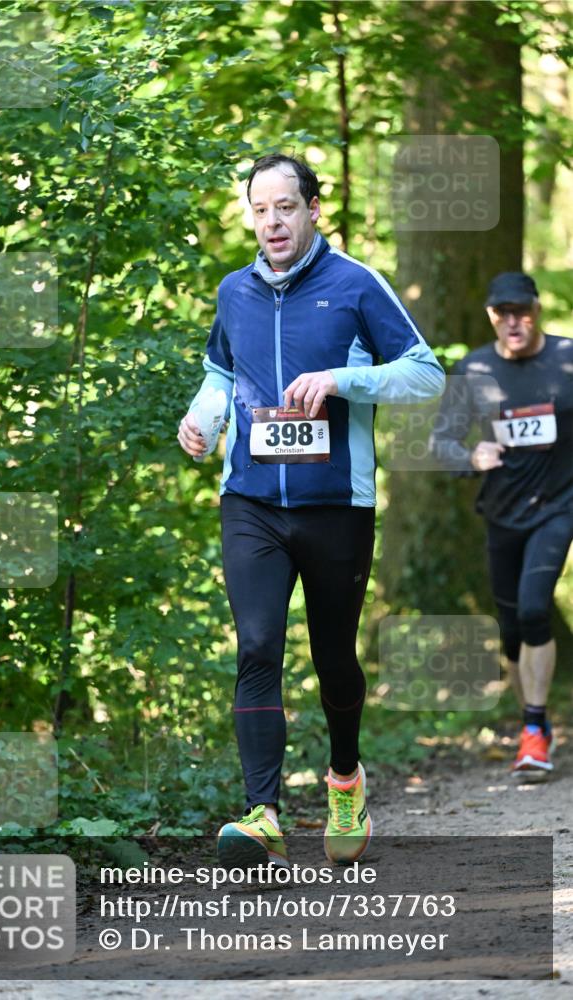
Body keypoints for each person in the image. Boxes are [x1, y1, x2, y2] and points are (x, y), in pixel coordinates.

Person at [178, 153, 445, 867]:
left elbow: (425, 373)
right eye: (260, 209)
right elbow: (219, 374)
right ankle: (262, 812)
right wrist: (202, 418)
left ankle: (344, 780)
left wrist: (339, 379)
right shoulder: (233, 291)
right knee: (258, 647)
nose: (272, 221)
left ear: (313, 209)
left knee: (333, 658)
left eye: (285, 207)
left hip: (335, 507)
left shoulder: (355, 284)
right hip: (252, 504)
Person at [431, 272, 573, 779]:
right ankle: (531, 722)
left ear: (537, 308)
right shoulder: (473, 369)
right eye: (502, 312)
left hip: (558, 507)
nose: (513, 321)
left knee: (535, 609)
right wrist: (473, 454)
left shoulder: (567, 359)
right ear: (492, 315)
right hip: (502, 513)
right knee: (512, 627)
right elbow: (440, 445)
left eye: (522, 310)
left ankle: (534, 730)